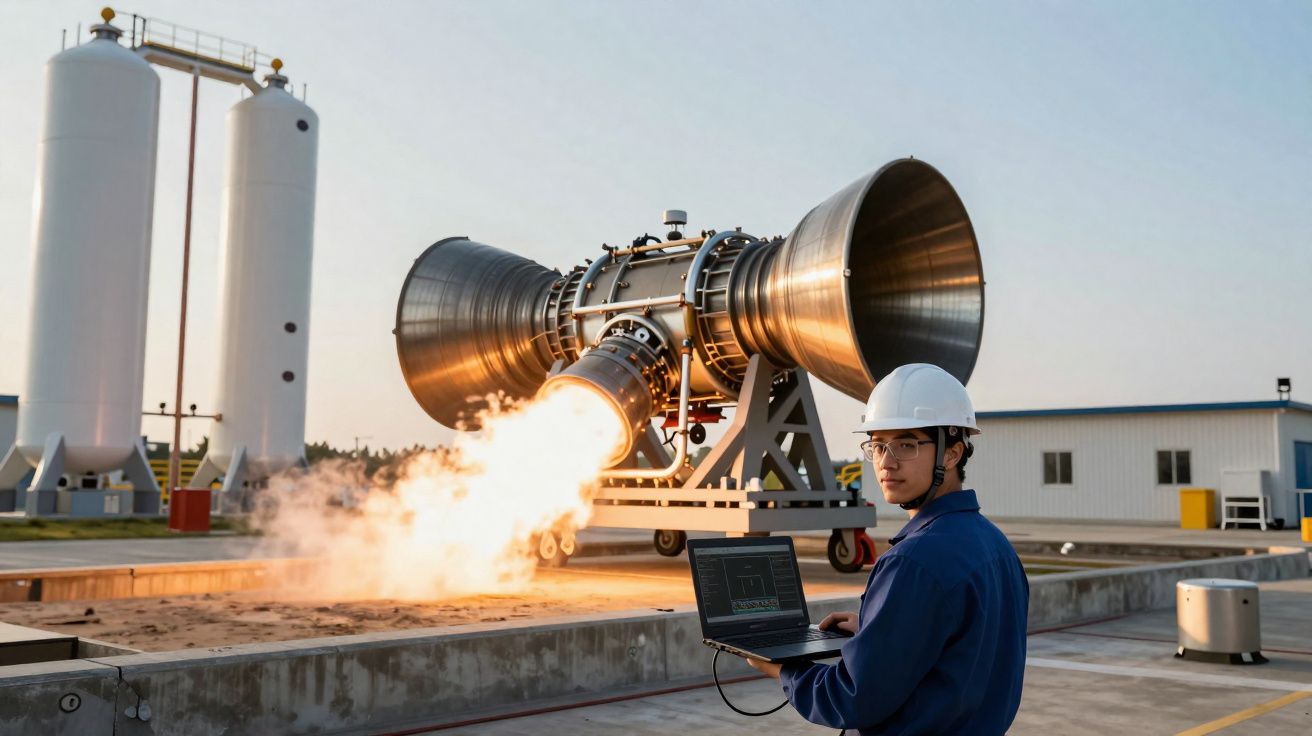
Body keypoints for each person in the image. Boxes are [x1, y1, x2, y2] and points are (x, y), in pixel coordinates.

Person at [747, 363, 1028, 734]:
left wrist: (782, 668)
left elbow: (850, 698)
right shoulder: (996, 545)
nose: (886, 462)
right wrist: (880, 630)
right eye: (878, 445)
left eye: (906, 444)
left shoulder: (915, 561)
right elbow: (966, 646)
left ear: (952, 454)